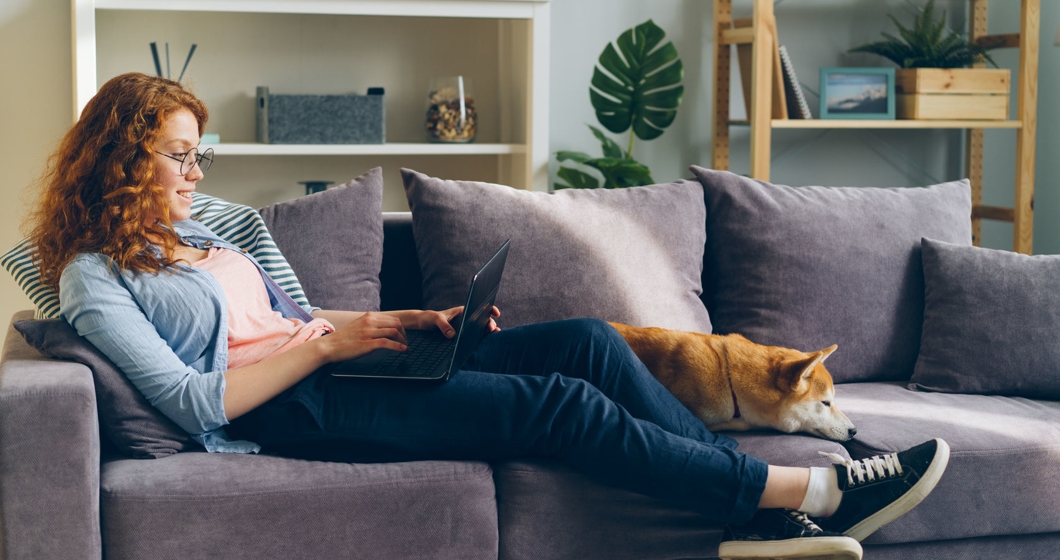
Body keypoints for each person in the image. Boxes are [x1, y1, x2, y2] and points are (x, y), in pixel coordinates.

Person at [28, 72, 949, 559]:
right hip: (287, 408)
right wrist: (326, 349)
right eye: (180, 155)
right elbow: (193, 401)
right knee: (554, 405)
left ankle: (742, 506)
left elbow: (288, 314)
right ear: (122, 157)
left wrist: (402, 320)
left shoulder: (208, 231)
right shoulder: (92, 279)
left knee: (587, 342)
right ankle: (805, 496)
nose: (197, 171)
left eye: (202, 154)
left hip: (332, 360)